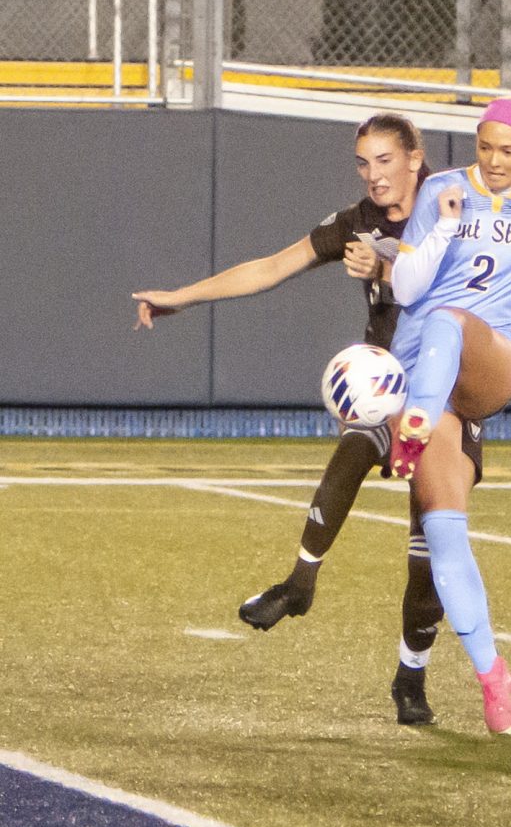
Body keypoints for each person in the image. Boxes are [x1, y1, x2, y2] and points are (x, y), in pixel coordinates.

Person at [131, 113, 478, 726]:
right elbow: (270, 266)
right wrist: (180, 298)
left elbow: (468, 288)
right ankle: (300, 581)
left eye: (386, 161)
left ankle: (411, 674)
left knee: (430, 549)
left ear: (416, 159)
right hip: (390, 379)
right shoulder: (355, 223)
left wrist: (389, 270)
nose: (375, 175)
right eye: (364, 162)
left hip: (449, 393)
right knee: (357, 438)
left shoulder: (453, 207)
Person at [385, 88, 511, 735]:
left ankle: (411, 427)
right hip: (424, 369)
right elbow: (404, 286)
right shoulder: (443, 188)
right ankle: (489, 671)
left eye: (508, 150)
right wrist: (445, 223)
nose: (495, 160)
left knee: (451, 319)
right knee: (445, 534)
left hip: (490, 358)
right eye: (485, 147)